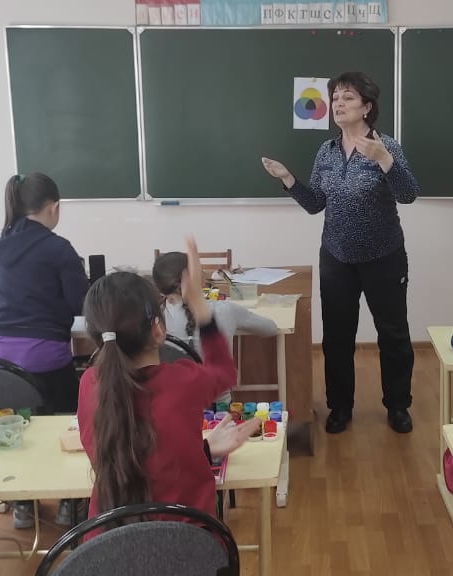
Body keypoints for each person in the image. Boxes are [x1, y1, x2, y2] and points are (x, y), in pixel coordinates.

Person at [260, 71, 420, 434]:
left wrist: (385, 160)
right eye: (334, 98)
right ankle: (340, 406)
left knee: (393, 334)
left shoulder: (385, 146)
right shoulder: (327, 151)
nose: (338, 104)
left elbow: (408, 194)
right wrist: (288, 179)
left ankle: (398, 405)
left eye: (347, 98)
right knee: (336, 337)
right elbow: (315, 203)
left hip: (384, 257)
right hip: (337, 257)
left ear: (367, 107)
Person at [77, 237, 258, 521]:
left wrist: (202, 450)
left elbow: (143, 462)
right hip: (189, 541)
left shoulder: (89, 383)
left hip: (110, 542)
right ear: (158, 330)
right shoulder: (182, 382)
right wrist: (198, 303)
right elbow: (224, 372)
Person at [0, 172, 87, 527]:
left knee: (20, 429)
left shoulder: (3, 245)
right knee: (69, 421)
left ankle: (23, 504)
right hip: (44, 355)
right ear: (54, 207)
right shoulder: (58, 248)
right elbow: (79, 302)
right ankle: (69, 503)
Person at [152, 251, 279, 404]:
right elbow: (271, 328)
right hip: (219, 411)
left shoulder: (153, 320)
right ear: (197, 278)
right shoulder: (225, 309)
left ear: (160, 289)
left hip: (173, 407)